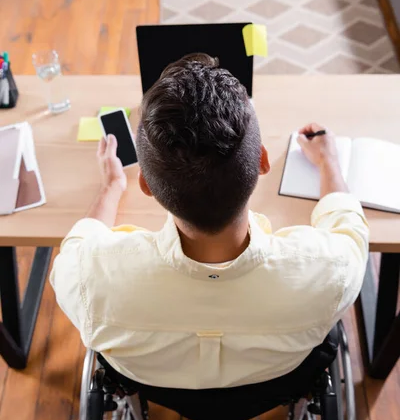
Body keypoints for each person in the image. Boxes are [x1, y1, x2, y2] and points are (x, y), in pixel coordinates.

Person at [50, 53, 369, 390]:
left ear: (145, 185)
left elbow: (80, 243)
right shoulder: (330, 269)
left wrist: (111, 188)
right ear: (261, 161)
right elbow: (348, 228)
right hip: (275, 384)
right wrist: (328, 161)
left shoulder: (87, 278)